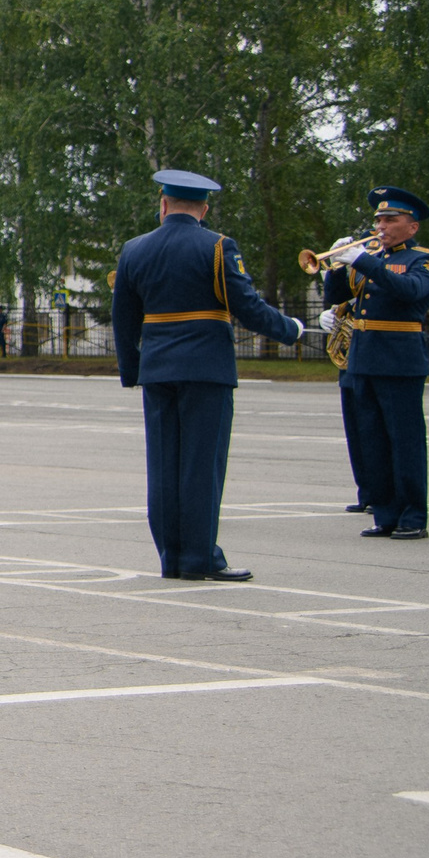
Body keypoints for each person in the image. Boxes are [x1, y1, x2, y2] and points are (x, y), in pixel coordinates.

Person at [113, 169, 304, 581]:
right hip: (205, 369)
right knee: (201, 466)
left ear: (162, 205)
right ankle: (201, 559)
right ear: (204, 208)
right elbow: (248, 307)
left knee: (164, 467)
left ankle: (172, 558)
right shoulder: (218, 247)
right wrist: (292, 329)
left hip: (158, 370)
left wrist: (132, 371)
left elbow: (123, 320)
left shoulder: (133, 249)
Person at [321, 187, 429, 539]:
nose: (381, 226)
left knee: (404, 441)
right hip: (362, 358)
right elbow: (337, 298)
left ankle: (412, 516)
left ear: (412, 226)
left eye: (390, 220)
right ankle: (385, 514)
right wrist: (337, 267)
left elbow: (409, 291)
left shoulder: (426, 259)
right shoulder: (370, 260)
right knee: (371, 440)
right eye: (378, 220)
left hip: (399, 360)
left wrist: (362, 260)